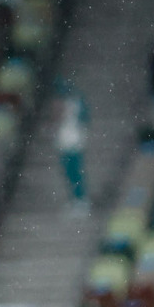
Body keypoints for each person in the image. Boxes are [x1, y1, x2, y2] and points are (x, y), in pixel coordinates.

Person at [56, 79, 90, 214]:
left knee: (75, 172)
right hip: (65, 143)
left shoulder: (76, 104)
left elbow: (82, 124)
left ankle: (81, 200)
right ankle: (75, 199)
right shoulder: (65, 105)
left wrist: (79, 141)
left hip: (74, 143)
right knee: (69, 173)